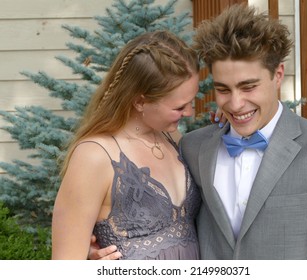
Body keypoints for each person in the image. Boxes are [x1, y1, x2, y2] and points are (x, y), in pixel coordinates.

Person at [88, 3, 307, 260]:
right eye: (223, 89)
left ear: (278, 75)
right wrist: (95, 258)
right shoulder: (192, 147)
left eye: (248, 87)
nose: (235, 104)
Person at [51, 30, 201, 260]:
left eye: (192, 101)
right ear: (140, 101)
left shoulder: (173, 139)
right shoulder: (94, 156)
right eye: (179, 107)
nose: (190, 113)